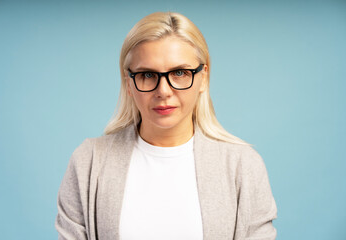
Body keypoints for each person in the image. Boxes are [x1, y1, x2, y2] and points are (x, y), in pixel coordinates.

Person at [55, 11, 277, 240]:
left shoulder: (243, 166)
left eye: (180, 73)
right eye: (147, 75)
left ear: (203, 78)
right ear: (128, 82)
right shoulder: (88, 162)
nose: (163, 91)